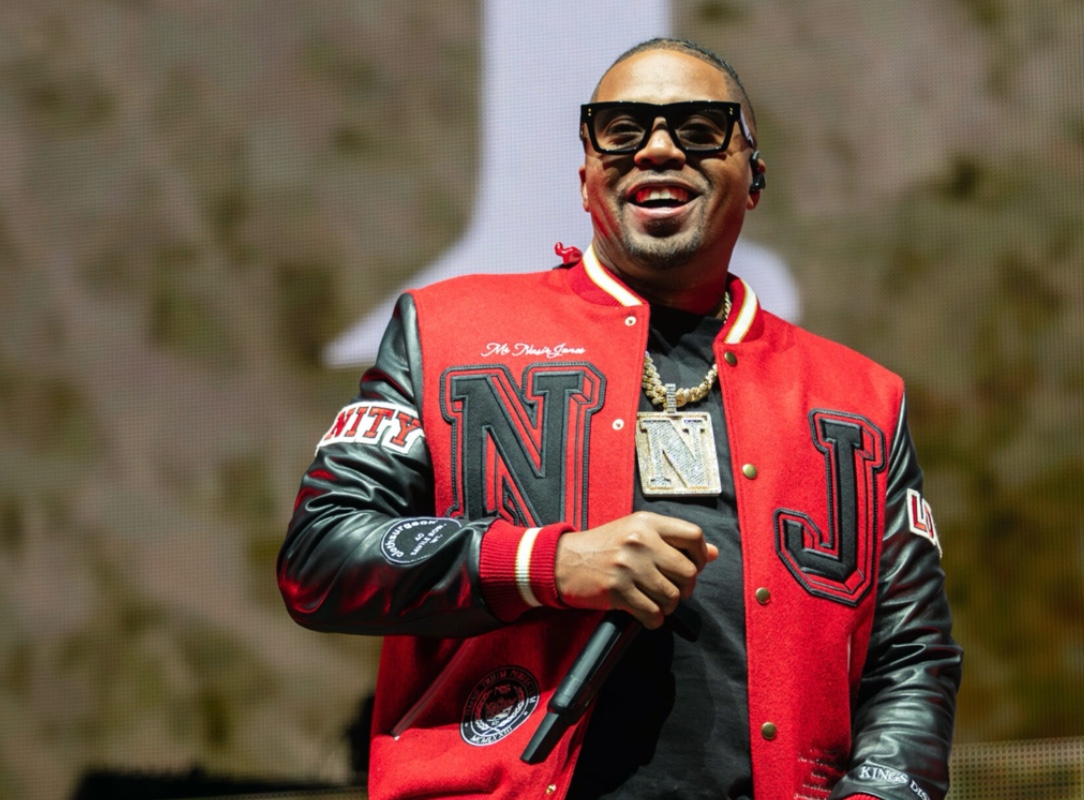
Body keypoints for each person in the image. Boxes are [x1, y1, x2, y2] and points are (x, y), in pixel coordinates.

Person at [278, 37, 961, 800]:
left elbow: (914, 657)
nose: (658, 148)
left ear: (755, 178)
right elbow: (320, 556)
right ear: (585, 178)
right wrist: (549, 563)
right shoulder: (445, 332)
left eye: (699, 128)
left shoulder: (859, 398)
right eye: (622, 129)